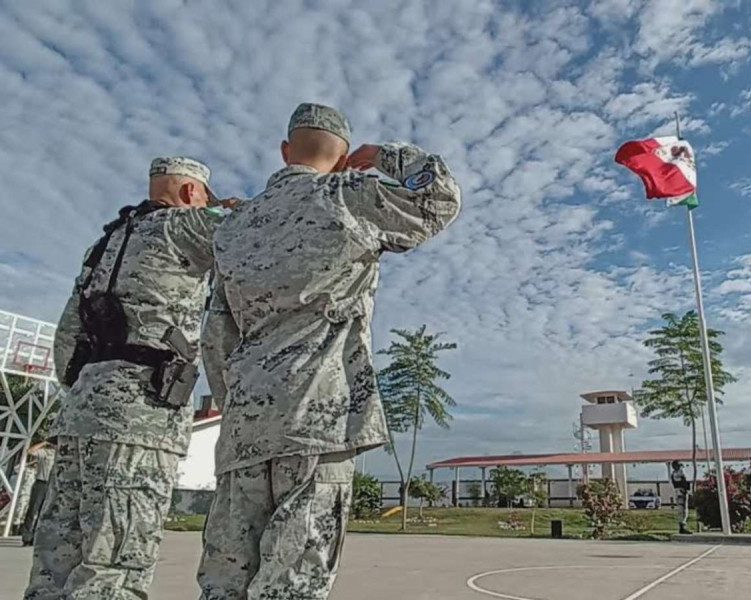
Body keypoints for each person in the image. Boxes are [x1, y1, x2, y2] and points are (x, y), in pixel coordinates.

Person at [197, 102, 461, 599]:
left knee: (224, 580)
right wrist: (385, 156)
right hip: (318, 419)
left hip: (244, 428)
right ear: (343, 158)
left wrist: (236, 406)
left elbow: (216, 335)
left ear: (284, 151)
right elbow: (440, 198)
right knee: (294, 579)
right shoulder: (347, 195)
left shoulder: (234, 226)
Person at [25, 157, 231, 600]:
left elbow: (67, 339)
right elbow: (263, 230)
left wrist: (89, 388)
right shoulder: (186, 227)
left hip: (83, 405)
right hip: (140, 412)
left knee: (55, 562)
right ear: (192, 193)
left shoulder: (106, 243)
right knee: (115, 564)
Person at [20, 442, 56, 546]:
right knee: (32, 511)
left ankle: (37, 537)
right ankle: (27, 537)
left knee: (44, 513)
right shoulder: (45, 452)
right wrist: (44, 443)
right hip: (41, 483)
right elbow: (30, 451)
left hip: (52, 485)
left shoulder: (59, 454)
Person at [670, 460, 691, 534]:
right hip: (681, 491)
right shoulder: (678, 473)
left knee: (683, 508)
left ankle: (682, 525)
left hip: (680, 491)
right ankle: (682, 526)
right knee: (682, 508)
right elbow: (683, 479)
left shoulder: (675, 474)